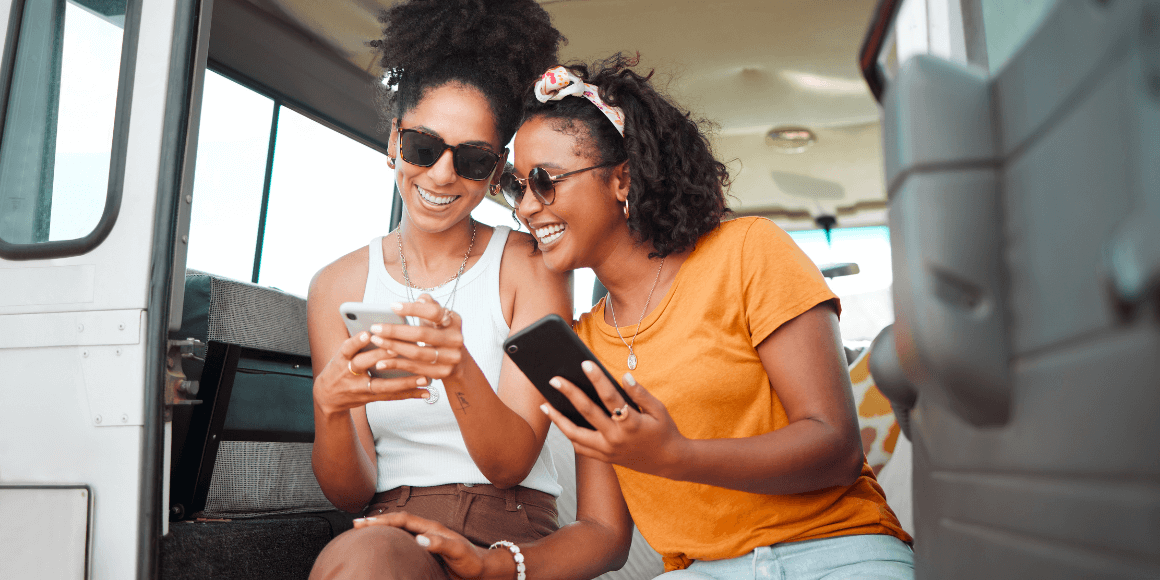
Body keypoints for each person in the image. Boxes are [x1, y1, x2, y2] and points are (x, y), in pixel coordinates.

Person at [358, 54, 914, 580]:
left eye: (546, 181)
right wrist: (493, 564)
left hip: (839, 552)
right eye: (515, 186)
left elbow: (835, 447)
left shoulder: (747, 250)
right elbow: (603, 533)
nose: (527, 207)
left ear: (622, 178)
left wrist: (678, 457)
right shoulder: (580, 344)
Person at [305, 2, 606, 578]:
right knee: (361, 559)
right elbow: (349, 495)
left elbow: (509, 463)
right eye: (423, 146)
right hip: (389, 530)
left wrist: (457, 365)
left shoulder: (531, 268)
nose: (442, 174)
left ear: (496, 174)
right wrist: (330, 409)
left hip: (507, 529)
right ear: (394, 140)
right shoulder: (335, 286)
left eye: (471, 159)